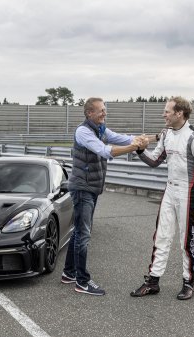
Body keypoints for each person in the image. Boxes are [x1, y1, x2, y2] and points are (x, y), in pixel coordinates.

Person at [61, 97, 147, 296]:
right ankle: (82, 282)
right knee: (83, 234)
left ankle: (69, 273)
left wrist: (146, 138)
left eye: (104, 110)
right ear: (89, 113)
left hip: (91, 188)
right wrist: (134, 147)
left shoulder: (101, 130)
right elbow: (105, 151)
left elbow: (121, 138)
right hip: (82, 188)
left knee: (78, 232)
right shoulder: (83, 131)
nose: (104, 113)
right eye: (101, 110)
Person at [130, 96, 194, 300]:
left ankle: (188, 282)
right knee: (161, 237)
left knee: (187, 241)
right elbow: (155, 160)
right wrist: (140, 150)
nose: (163, 114)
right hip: (169, 191)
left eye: (167, 111)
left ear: (179, 113)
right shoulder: (166, 134)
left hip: (189, 194)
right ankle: (153, 281)